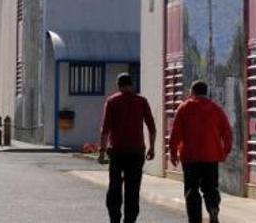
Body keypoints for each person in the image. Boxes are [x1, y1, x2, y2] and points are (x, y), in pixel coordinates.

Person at [169, 80, 233, 223]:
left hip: (190, 157)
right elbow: (227, 132)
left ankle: (195, 219)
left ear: (192, 92)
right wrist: (225, 151)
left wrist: (172, 152)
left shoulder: (184, 108)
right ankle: (213, 207)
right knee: (210, 188)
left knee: (192, 189)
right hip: (211, 156)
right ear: (206, 92)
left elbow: (175, 133)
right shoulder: (216, 109)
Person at [99, 73, 156, 223]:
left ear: (118, 85)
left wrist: (102, 151)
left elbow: (105, 129)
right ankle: (130, 219)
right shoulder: (141, 101)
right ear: (132, 84)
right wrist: (152, 148)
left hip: (117, 151)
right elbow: (152, 127)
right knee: (133, 188)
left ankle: (114, 218)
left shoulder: (112, 101)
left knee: (115, 186)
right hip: (136, 152)